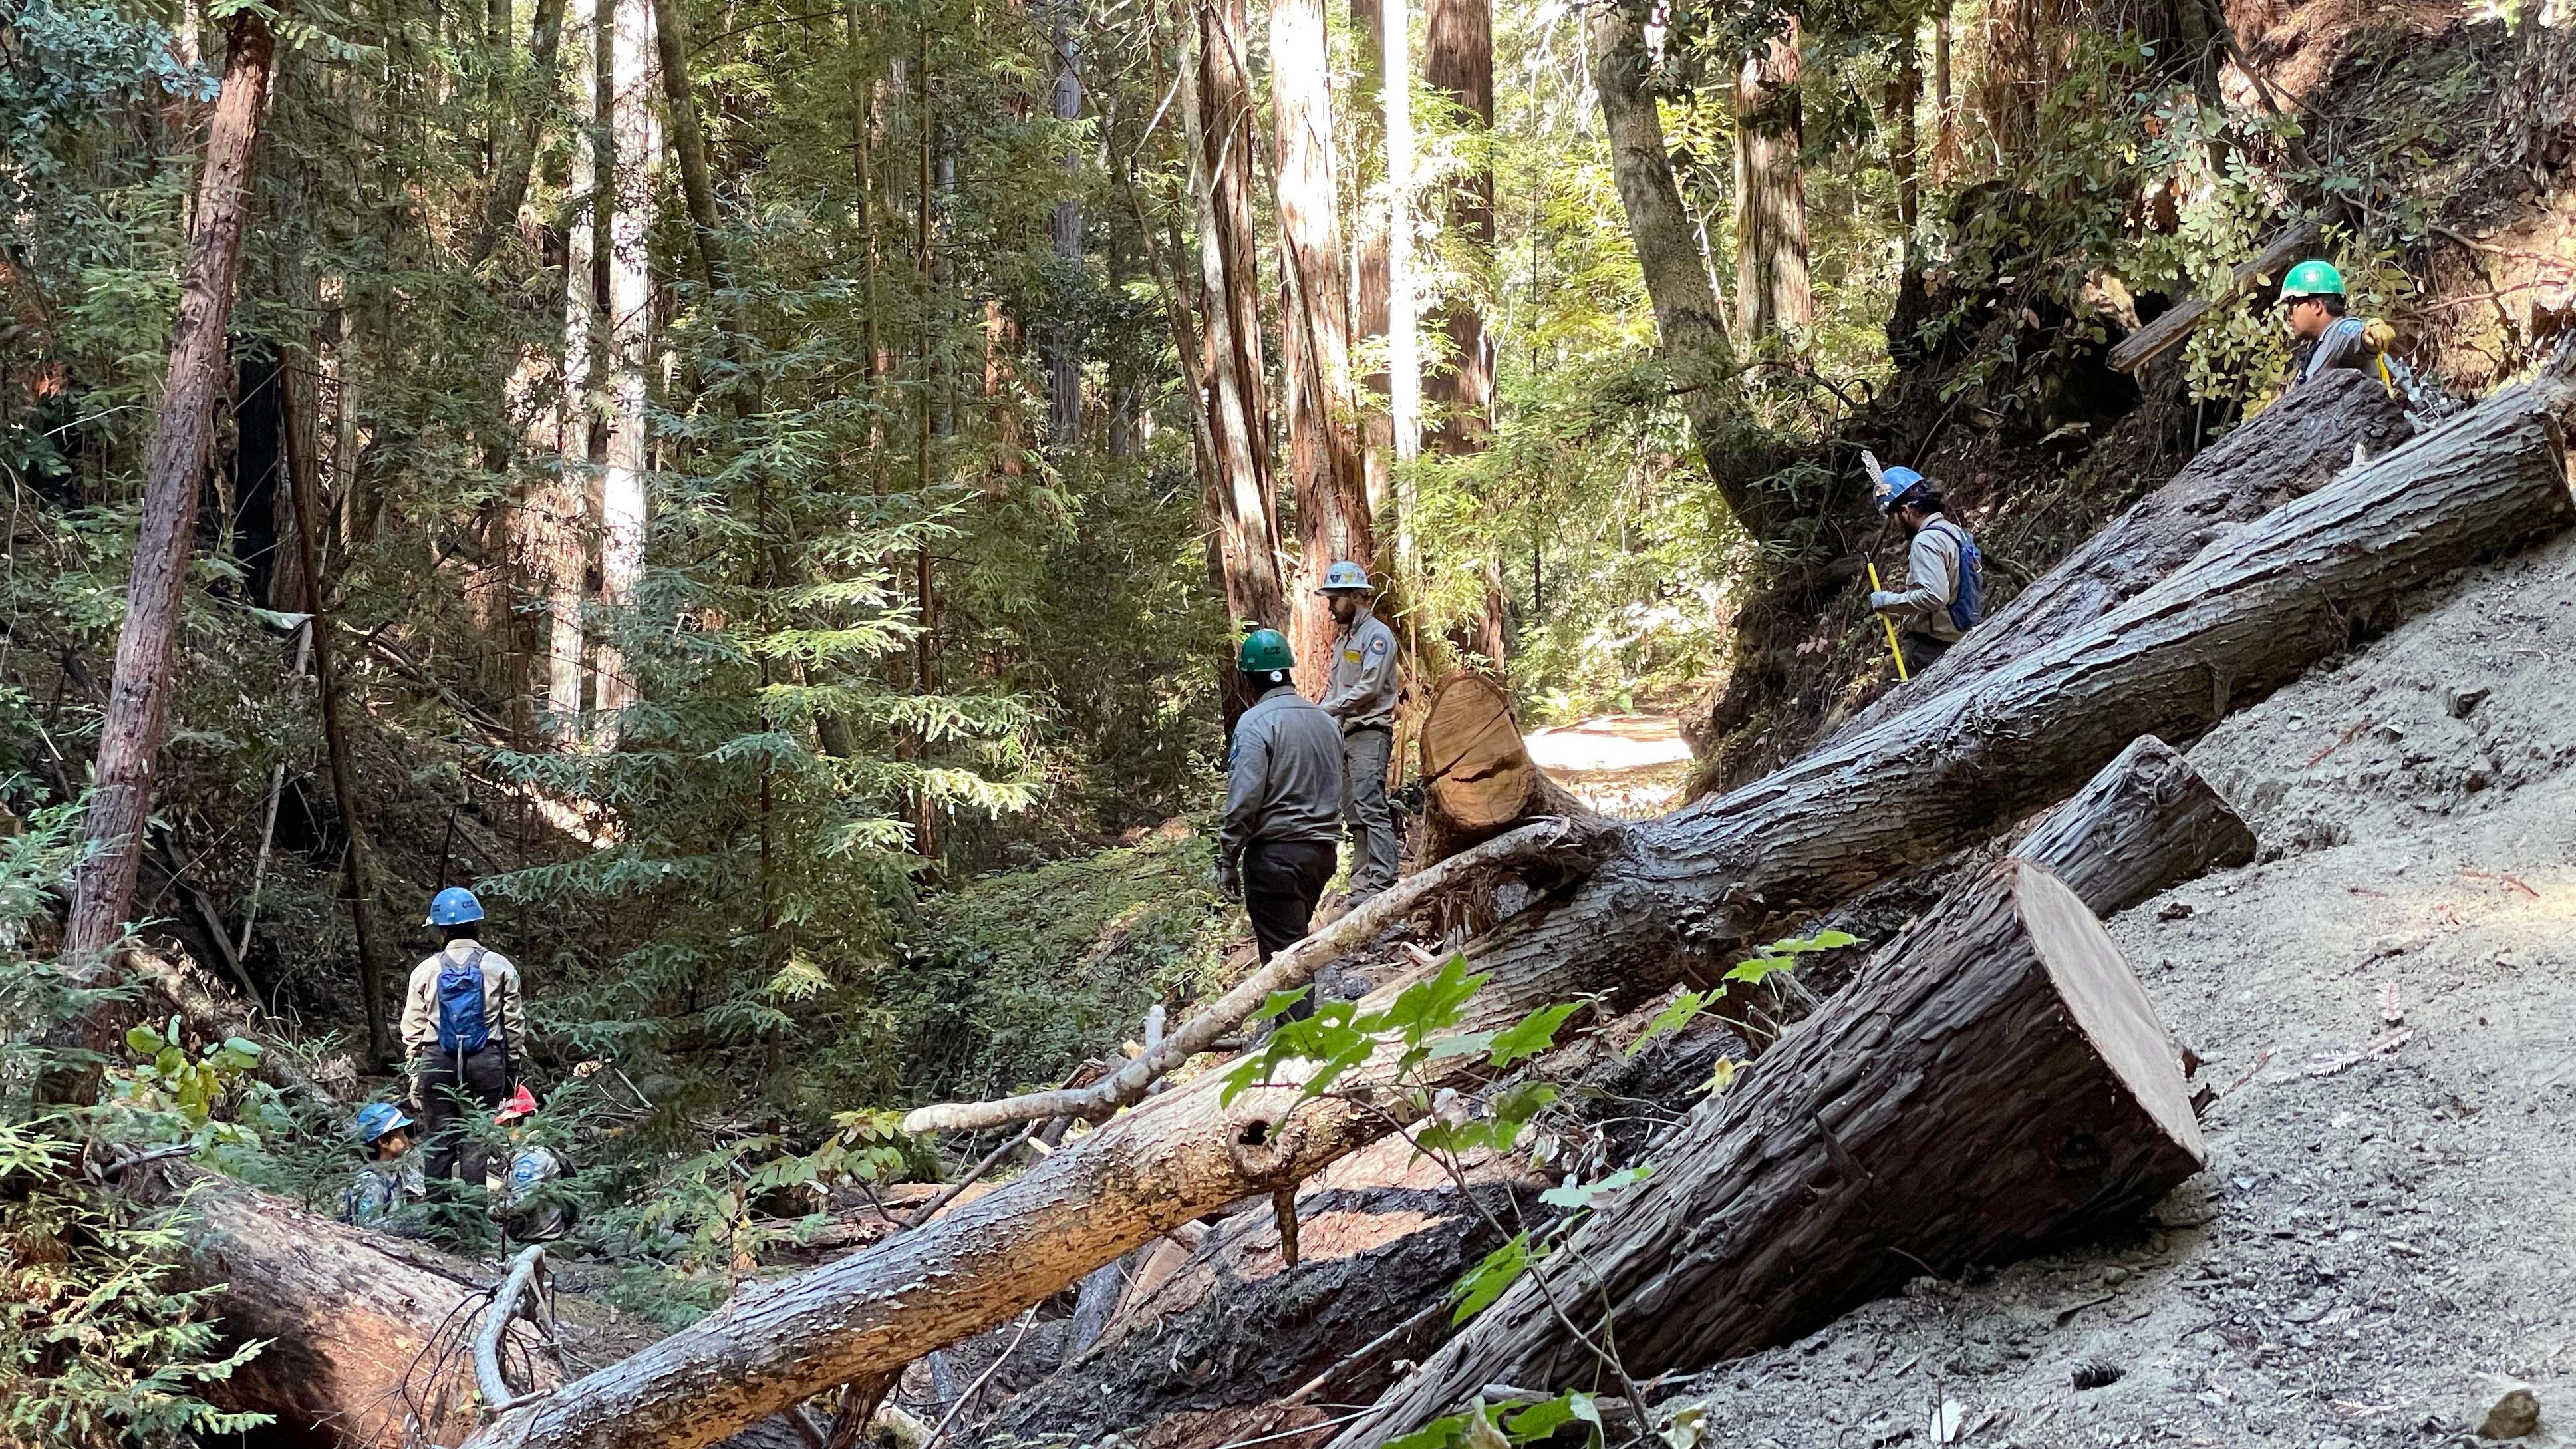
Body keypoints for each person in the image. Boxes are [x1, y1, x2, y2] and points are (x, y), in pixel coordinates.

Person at [1212, 629, 1345, 1014]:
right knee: (1295, 944)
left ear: (1249, 677)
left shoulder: (1255, 723)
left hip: (1276, 857)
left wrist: (1227, 859)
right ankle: (1297, 1035)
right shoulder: (1325, 720)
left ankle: (1296, 1048)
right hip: (1322, 853)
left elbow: (1244, 799)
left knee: (1286, 964)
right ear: (1287, 670)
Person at [400, 886, 529, 1193]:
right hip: (486, 1061)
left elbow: (413, 1030)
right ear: (477, 924)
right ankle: (473, 1222)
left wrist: (415, 1075)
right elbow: (513, 1026)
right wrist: (512, 1069)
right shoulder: (501, 967)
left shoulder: (424, 971)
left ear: (441, 928)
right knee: (475, 1142)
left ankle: (438, 1224)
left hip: (438, 1061)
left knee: (438, 1141)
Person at [1314, 561, 1401, 900]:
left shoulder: (1377, 636)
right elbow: (1335, 687)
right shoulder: (1344, 639)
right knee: (1354, 814)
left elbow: (1368, 687)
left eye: (1334, 600)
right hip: (1344, 733)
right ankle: (1362, 886)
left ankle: (1384, 883)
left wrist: (1328, 709)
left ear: (1354, 596)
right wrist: (1317, 711)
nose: (1330, 608)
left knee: (1371, 806)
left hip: (1370, 732)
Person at [1866, 460, 1984, 669]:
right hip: (1962, 638)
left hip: (1933, 649)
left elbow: (1934, 596)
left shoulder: (1926, 541)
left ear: (1905, 511)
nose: (1895, 524)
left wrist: (1887, 602)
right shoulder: (1954, 532)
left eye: (1894, 517)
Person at [2280, 259, 2400, 391]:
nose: (2288, 317)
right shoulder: (2319, 345)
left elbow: (2355, 338)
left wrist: (2368, 338)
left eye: (2292, 308)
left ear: (2316, 306)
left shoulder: (2340, 332)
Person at [487, 1085, 572, 1242]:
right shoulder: (536, 1148)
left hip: (535, 1237)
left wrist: (485, 1209)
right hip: (540, 1232)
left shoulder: (530, 1155)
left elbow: (522, 1202)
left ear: (519, 1121)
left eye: (504, 1127)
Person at [343, 1101, 424, 1228]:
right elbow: (368, 1228)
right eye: (400, 1135)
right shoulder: (371, 1181)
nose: (406, 1140)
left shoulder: (396, 1172)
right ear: (383, 1142)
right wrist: (411, 1223)